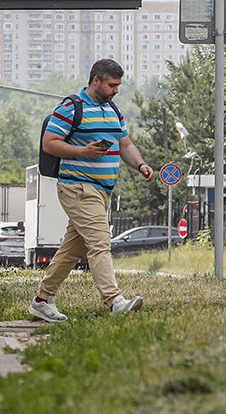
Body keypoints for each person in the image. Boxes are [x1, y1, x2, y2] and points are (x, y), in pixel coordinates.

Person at [28, 59, 152, 321]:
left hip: (102, 191)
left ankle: (41, 301)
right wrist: (82, 151)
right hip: (78, 187)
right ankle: (114, 301)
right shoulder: (71, 108)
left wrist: (140, 165)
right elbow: (50, 143)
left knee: (72, 250)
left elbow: (126, 145)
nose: (115, 90)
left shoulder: (114, 110)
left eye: (118, 85)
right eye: (111, 85)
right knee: (99, 242)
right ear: (96, 80)